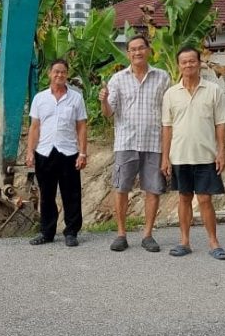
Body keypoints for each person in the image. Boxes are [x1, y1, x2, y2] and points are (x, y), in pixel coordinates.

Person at [99, 35, 170, 252]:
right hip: (126, 142)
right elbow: (108, 114)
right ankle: (121, 234)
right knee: (121, 188)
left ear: (149, 50)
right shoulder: (118, 79)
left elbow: (169, 112)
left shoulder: (163, 77)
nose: (137, 52)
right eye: (132, 49)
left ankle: (148, 235)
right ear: (128, 53)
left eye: (141, 48)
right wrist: (103, 100)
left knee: (153, 189)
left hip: (153, 143)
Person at [161, 46, 225, 260]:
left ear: (199, 63)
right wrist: (165, 157)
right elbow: (167, 127)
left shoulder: (213, 90)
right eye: (184, 62)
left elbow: (220, 124)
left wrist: (221, 152)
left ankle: (214, 242)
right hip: (180, 155)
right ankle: (184, 241)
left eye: (192, 61)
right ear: (178, 65)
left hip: (206, 155)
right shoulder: (171, 94)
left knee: (204, 199)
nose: (188, 65)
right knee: (183, 198)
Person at [26, 59, 88, 247]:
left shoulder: (76, 98)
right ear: (49, 74)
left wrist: (83, 153)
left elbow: (82, 127)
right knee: (46, 195)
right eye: (56, 72)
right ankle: (47, 232)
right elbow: (34, 127)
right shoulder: (40, 98)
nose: (59, 75)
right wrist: (30, 151)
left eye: (63, 72)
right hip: (44, 152)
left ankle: (71, 232)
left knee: (71, 194)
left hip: (68, 152)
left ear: (67, 75)